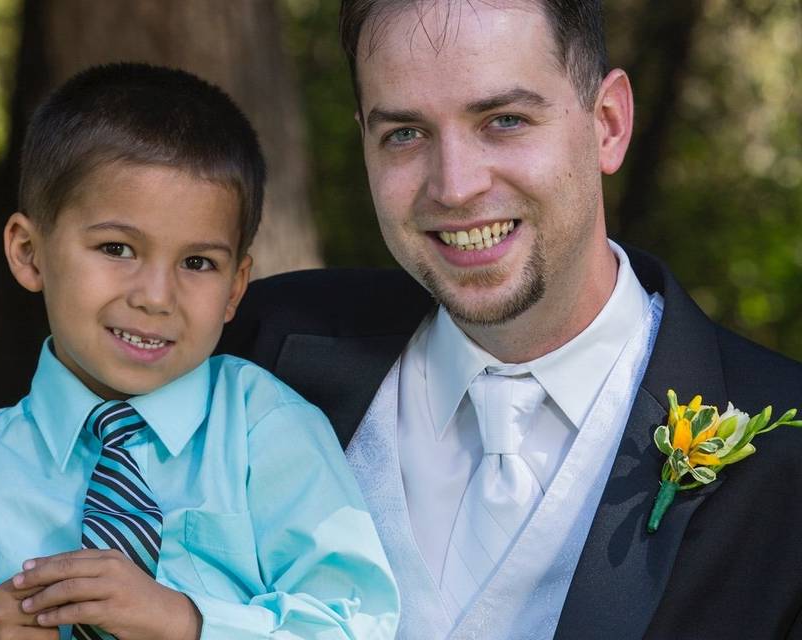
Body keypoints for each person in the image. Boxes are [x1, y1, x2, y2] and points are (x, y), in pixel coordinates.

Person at [218, 1, 802, 638]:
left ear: (607, 125)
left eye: (504, 120)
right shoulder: (257, 350)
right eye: (405, 134)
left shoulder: (786, 460)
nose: (455, 187)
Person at [0, 62, 399, 640]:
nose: (155, 297)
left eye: (198, 263)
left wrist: (188, 623)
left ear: (235, 288)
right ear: (28, 252)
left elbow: (358, 622)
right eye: (117, 248)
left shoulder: (265, 431)